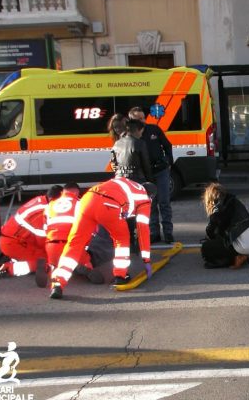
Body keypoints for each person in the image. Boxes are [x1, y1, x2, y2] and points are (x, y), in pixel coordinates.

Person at [48, 177, 153, 299]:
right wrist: (146, 260)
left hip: (87, 199)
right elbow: (143, 229)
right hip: (109, 204)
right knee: (122, 239)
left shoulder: (127, 182)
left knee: (74, 243)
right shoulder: (145, 198)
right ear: (151, 196)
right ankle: (120, 275)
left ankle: (58, 283)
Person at [0, 186, 63, 279]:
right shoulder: (42, 212)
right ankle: (9, 268)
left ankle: (14, 259)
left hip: (14, 240)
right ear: (53, 199)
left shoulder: (41, 200)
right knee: (49, 261)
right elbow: (43, 240)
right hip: (13, 243)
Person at [38, 182, 103, 288]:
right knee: (85, 260)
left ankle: (49, 268)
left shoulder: (50, 205)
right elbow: (93, 230)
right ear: (77, 192)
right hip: (71, 244)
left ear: (63, 191)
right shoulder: (81, 203)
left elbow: (45, 229)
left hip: (51, 244)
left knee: (56, 264)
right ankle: (83, 266)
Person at [129, 106, 173, 244]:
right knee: (150, 204)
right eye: (138, 119)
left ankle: (168, 233)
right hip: (144, 174)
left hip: (160, 171)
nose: (142, 121)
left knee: (164, 202)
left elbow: (167, 145)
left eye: (143, 118)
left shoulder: (154, 129)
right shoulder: (130, 136)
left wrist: (168, 160)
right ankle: (154, 233)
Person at [200, 182, 249, 269]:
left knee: (206, 248)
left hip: (243, 244)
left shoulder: (217, 206)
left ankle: (234, 258)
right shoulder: (235, 201)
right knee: (222, 239)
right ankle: (242, 255)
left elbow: (212, 232)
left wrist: (209, 237)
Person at [111, 118, 154, 184]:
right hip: (136, 179)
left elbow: (114, 163)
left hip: (120, 179)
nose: (141, 135)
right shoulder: (140, 143)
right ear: (138, 130)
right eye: (141, 132)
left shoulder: (117, 143)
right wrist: (150, 181)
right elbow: (146, 165)